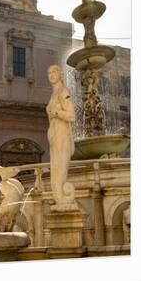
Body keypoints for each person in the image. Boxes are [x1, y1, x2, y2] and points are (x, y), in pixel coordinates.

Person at [46, 65, 77, 210]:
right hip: (54, 136)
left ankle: (64, 199)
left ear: (61, 74)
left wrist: (57, 113)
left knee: (60, 173)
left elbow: (72, 116)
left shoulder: (64, 91)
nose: (51, 75)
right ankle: (60, 199)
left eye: (54, 72)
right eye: (49, 73)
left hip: (62, 135)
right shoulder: (54, 94)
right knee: (55, 172)